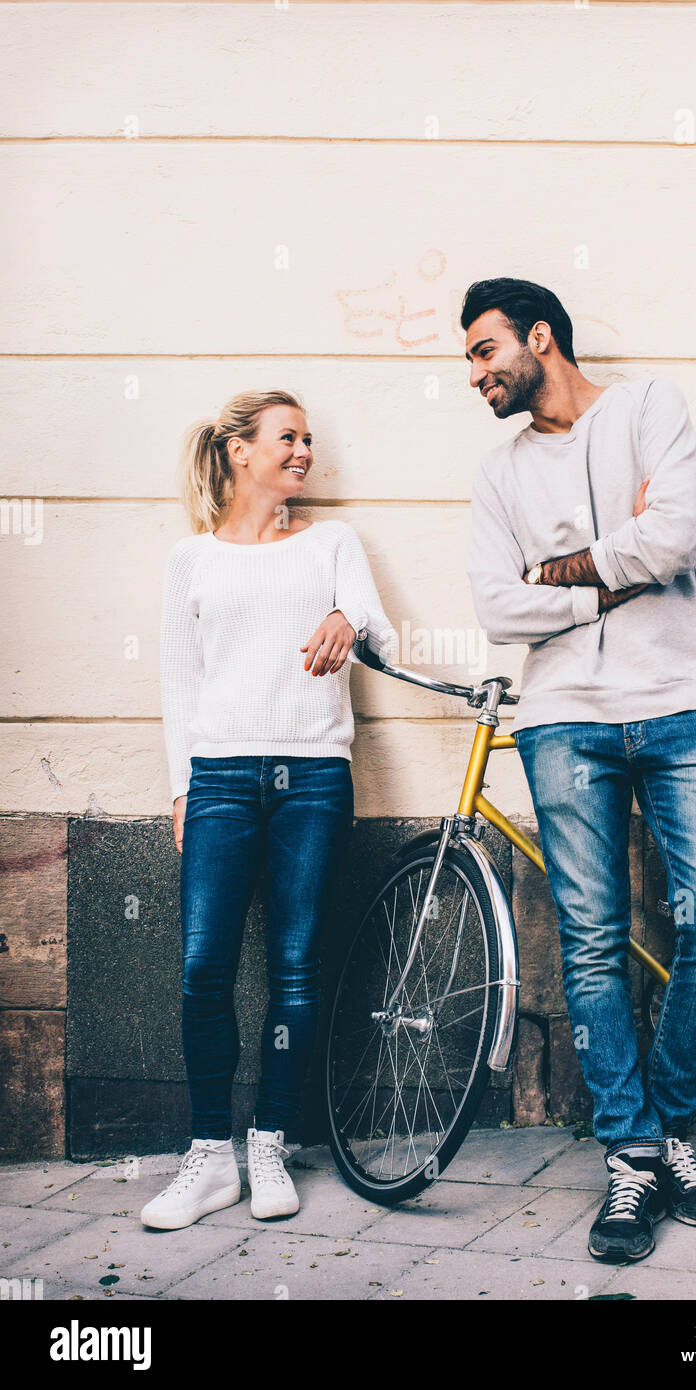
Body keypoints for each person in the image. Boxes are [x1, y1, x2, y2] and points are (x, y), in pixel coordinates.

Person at [462, 278, 696, 1263]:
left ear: (539, 337)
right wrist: (605, 577)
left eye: (482, 351)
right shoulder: (496, 476)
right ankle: (632, 1157)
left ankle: (669, 1127)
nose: (473, 375)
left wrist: (558, 567)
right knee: (590, 948)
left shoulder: (646, 407)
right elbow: (495, 608)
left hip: (679, 703)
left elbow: (672, 536)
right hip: (562, 722)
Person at [142, 389, 397, 1230]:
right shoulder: (193, 560)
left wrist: (343, 613)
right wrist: (183, 787)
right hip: (219, 778)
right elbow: (180, 684)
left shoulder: (331, 543)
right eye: (287, 438)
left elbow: (382, 636)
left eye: (309, 440)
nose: (303, 452)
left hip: (314, 777)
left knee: (295, 967)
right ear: (240, 451)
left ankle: (270, 1140)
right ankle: (210, 1154)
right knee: (202, 967)